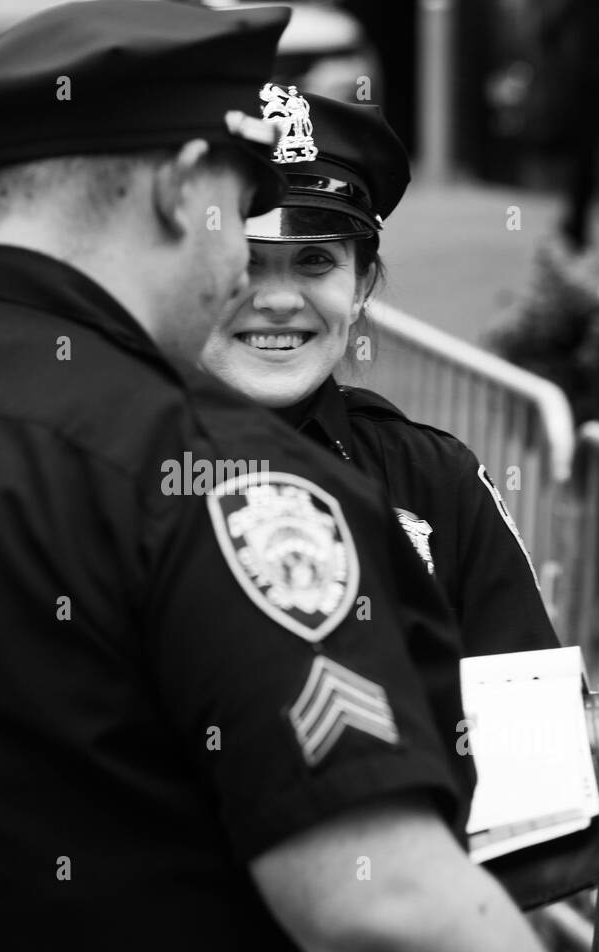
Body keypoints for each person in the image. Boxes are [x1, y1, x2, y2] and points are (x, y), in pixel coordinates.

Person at [0, 0, 548, 952]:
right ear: (180, 191)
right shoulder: (213, 469)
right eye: (240, 213)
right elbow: (387, 907)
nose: (249, 266)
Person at [201, 86, 560, 660]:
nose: (277, 300)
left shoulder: (439, 484)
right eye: (244, 261)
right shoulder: (99, 470)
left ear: (362, 285)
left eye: (315, 260)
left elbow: (530, 731)